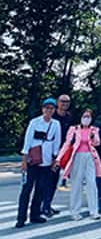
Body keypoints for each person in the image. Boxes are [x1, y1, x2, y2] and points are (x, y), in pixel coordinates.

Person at [16, 98, 61, 228]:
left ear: (54, 110)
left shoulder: (55, 124)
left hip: (46, 160)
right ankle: (21, 217)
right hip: (33, 160)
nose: (48, 111)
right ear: (43, 109)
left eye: (51, 108)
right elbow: (27, 141)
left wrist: (55, 159)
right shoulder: (34, 122)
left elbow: (56, 143)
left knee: (41, 189)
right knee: (26, 189)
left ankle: (35, 214)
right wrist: (24, 160)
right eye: (46, 108)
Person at [56, 109, 101, 221]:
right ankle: (75, 211)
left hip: (90, 157)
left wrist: (93, 135)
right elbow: (67, 144)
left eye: (88, 116)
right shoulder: (74, 129)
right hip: (77, 156)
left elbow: (97, 143)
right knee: (76, 184)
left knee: (91, 183)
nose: (86, 118)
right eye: (84, 116)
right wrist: (58, 158)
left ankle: (94, 211)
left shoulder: (94, 129)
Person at [43, 94, 73, 215]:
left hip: (64, 151)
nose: (65, 104)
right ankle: (43, 206)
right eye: (62, 101)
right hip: (50, 152)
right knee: (47, 180)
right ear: (57, 102)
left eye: (67, 102)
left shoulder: (70, 117)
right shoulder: (52, 116)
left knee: (54, 181)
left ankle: (48, 204)